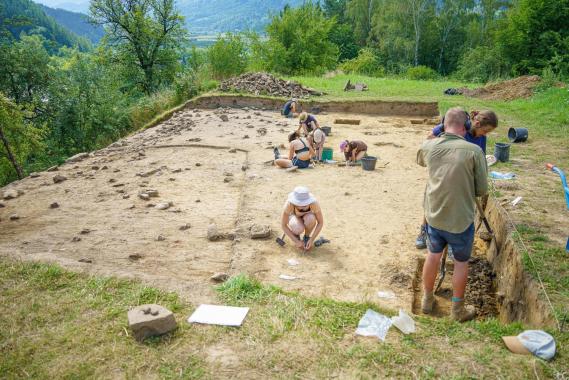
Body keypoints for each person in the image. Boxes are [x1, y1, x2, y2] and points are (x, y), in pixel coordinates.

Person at [417, 107, 488, 322]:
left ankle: (427, 300)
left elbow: (421, 156)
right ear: (466, 126)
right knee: (460, 263)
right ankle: (457, 311)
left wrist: (436, 134)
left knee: (432, 255)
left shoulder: (429, 147)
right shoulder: (474, 151)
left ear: (443, 124)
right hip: (460, 220)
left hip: (434, 216)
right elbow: (482, 190)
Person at [415, 109, 498, 249]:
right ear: (477, 123)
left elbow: (481, 159)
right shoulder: (457, 127)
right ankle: (424, 230)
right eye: (486, 130)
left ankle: (455, 242)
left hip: (464, 179)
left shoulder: (481, 138)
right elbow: (428, 141)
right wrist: (442, 128)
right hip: (443, 174)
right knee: (433, 200)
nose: (486, 134)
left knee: (462, 208)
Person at [281, 186, 324, 251]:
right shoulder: (289, 204)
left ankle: (306, 237)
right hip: (294, 217)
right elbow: (283, 225)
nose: (303, 206)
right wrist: (296, 241)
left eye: (305, 204)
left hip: (308, 217)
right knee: (298, 228)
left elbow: (320, 222)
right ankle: (296, 236)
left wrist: (312, 239)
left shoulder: (314, 203)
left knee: (311, 218)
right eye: (300, 204)